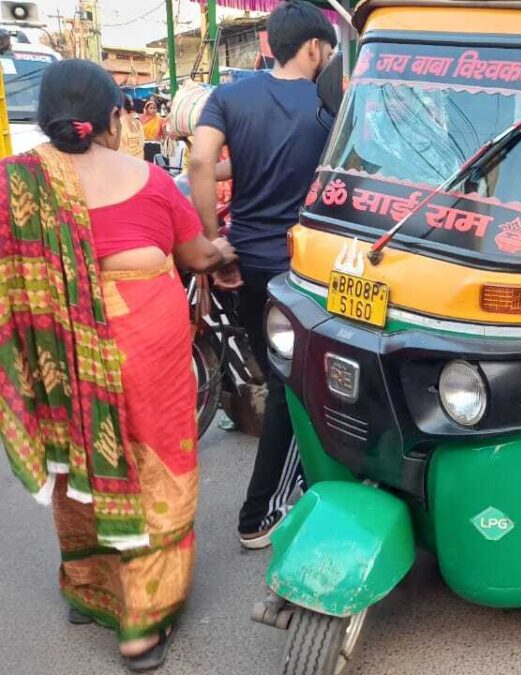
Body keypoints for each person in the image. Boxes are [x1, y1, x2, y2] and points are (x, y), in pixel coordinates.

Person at [0, 60, 234, 671]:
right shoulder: (150, 182)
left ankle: (88, 588)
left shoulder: (15, 187)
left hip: (63, 362)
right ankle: (141, 627)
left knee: (82, 463)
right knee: (157, 470)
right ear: (112, 119)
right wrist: (221, 250)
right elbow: (195, 255)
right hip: (146, 356)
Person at [190, 0, 336, 550]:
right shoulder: (328, 106)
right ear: (315, 48)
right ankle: (261, 514)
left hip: (246, 261)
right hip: (303, 268)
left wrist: (215, 244)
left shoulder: (230, 96)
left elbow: (201, 162)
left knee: (279, 379)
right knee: (293, 389)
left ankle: (297, 487)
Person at [119, 95, 145, 159]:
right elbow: (141, 143)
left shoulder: (118, 123)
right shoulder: (137, 122)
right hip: (138, 159)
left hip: (127, 160)